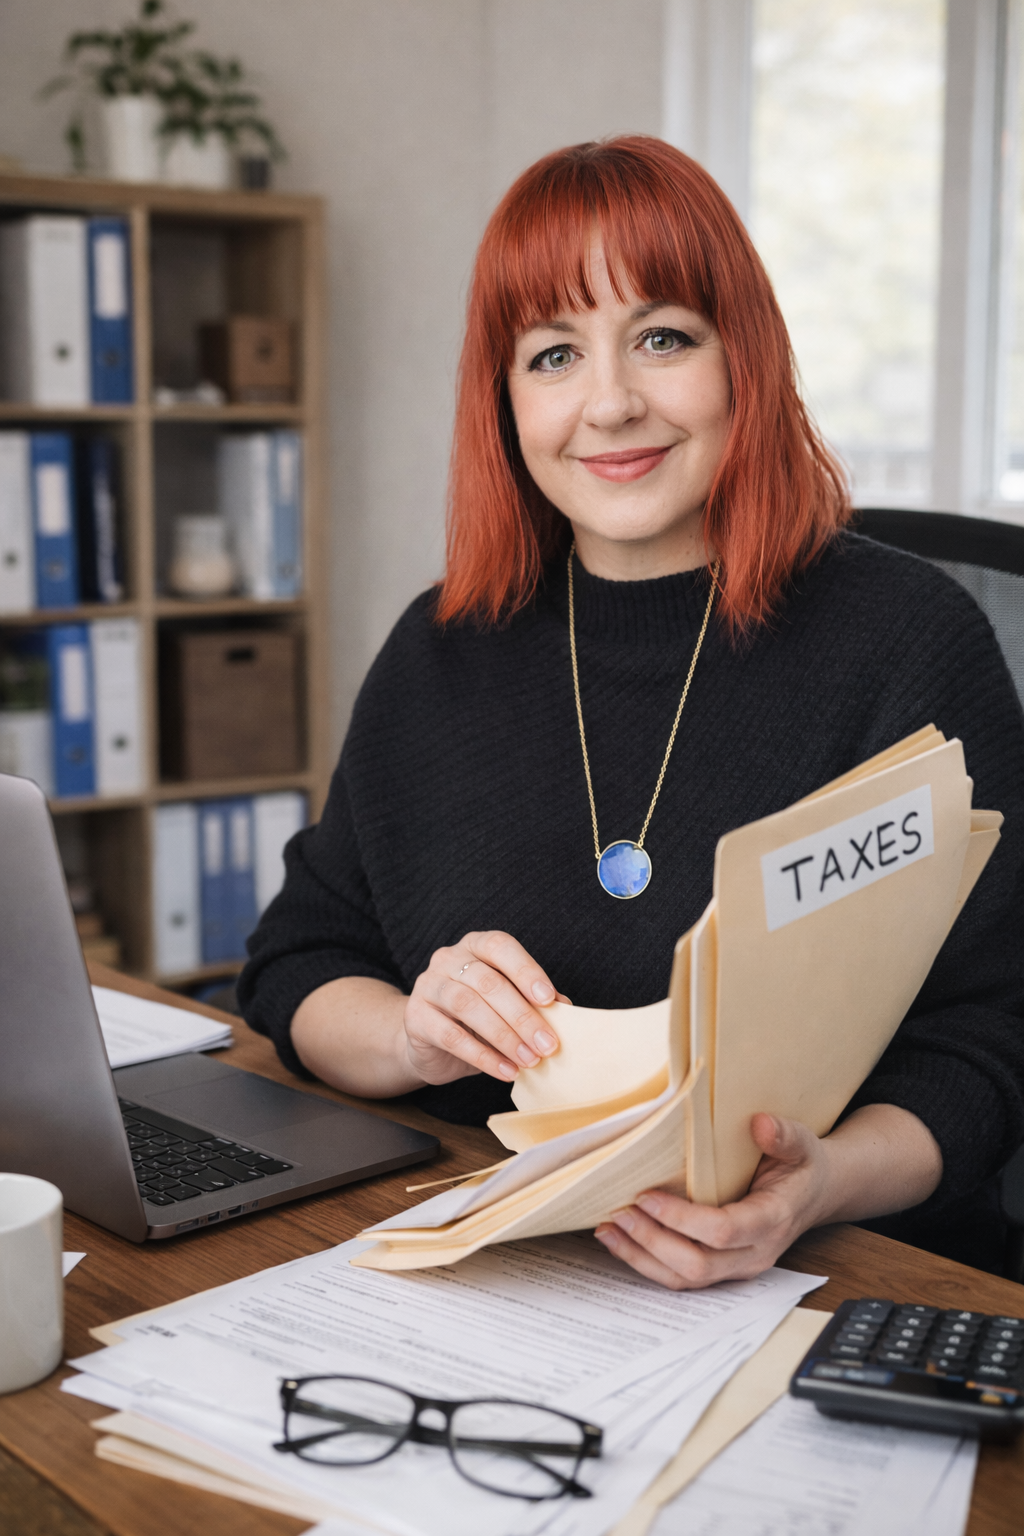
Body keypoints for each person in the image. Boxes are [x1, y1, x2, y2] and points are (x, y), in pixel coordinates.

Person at [239, 137, 1024, 1284]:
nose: (609, 403)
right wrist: (409, 1033)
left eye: (662, 338)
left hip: (838, 1277)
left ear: (739, 359)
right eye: (553, 354)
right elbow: (298, 962)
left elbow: (992, 1038)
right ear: (504, 401)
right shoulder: (439, 648)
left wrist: (816, 1184)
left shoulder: (908, 641)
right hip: (490, 1265)